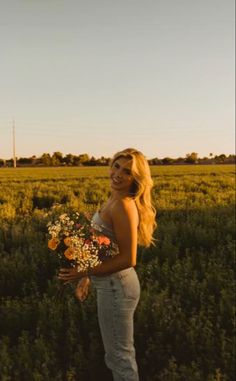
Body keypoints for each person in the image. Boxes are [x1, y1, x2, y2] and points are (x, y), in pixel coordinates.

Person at [59, 148, 157, 381]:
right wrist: (86, 278)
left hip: (117, 287)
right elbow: (105, 247)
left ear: (136, 179)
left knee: (120, 357)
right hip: (110, 284)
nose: (118, 174)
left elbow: (127, 259)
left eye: (127, 172)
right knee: (116, 354)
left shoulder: (123, 205)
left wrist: (82, 271)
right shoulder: (114, 197)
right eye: (116, 166)